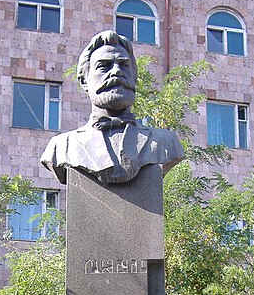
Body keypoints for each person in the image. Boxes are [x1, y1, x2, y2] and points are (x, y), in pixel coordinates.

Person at [41, 30, 184, 185]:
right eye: (104, 66)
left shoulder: (166, 143)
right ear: (84, 81)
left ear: (134, 77)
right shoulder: (62, 147)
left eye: (124, 65)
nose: (116, 71)